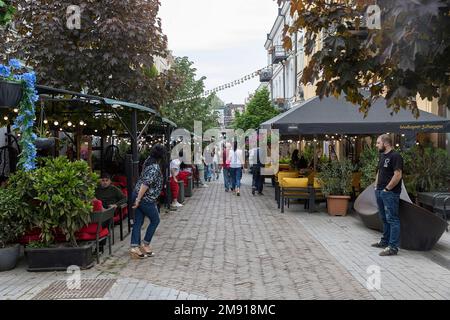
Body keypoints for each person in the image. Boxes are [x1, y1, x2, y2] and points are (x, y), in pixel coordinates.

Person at [130, 144, 166, 259]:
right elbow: (146, 184)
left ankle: (135, 247)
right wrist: (138, 199)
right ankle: (146, 244)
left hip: (139, 194)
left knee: (138, 222)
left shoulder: (148, 161)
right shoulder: (154, 167)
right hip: (145, 198)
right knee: (155, 220)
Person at [372, 134, 403, 256]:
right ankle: (385, 241)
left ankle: (393, 247)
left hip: (390, 193)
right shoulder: (382, 156)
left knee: (392, 219)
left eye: (378, 143)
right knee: (384, 218)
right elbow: (380, 171)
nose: (376, 145)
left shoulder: (395, 156)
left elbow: (398, 175)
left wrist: (387, 189)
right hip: (379, 190)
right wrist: (376, 186)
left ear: (385, 143)